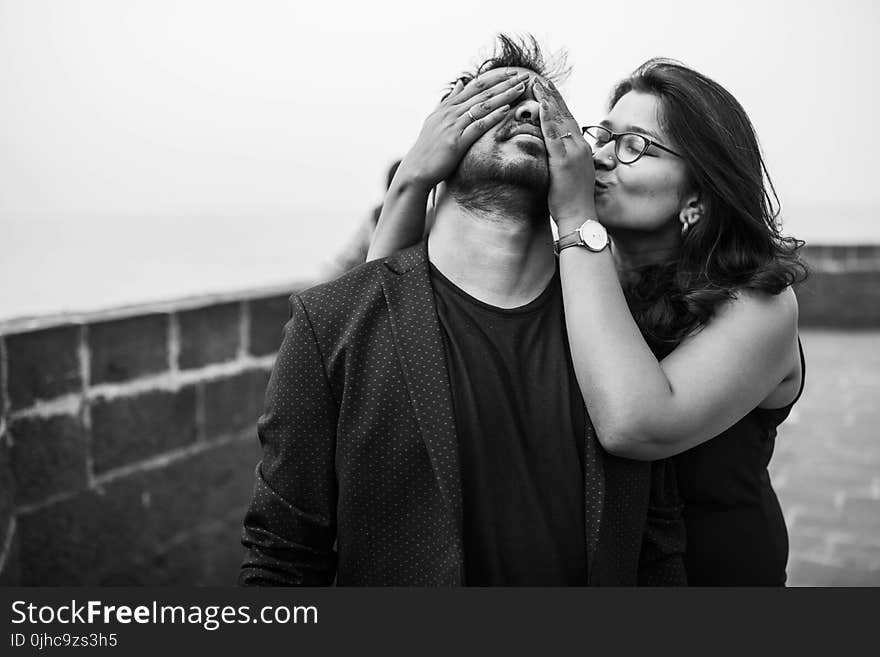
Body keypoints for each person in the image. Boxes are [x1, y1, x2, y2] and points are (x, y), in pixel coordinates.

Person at [238, 36, 686, 586]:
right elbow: (283, 558)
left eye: (541, 104)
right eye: (492, 98)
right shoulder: (327, 322)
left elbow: (657, 545)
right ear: (443, 134)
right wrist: (411, 178)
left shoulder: (616, 332)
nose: (525, 110)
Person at [368, 41, 807, 585]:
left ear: (700, 197)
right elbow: (374, 324)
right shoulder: (588, 277)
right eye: (603, 136)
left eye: (634, 147)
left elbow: (635, 425)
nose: (597, 156)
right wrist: (415, 177)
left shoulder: (761, 305)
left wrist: (574, 215)